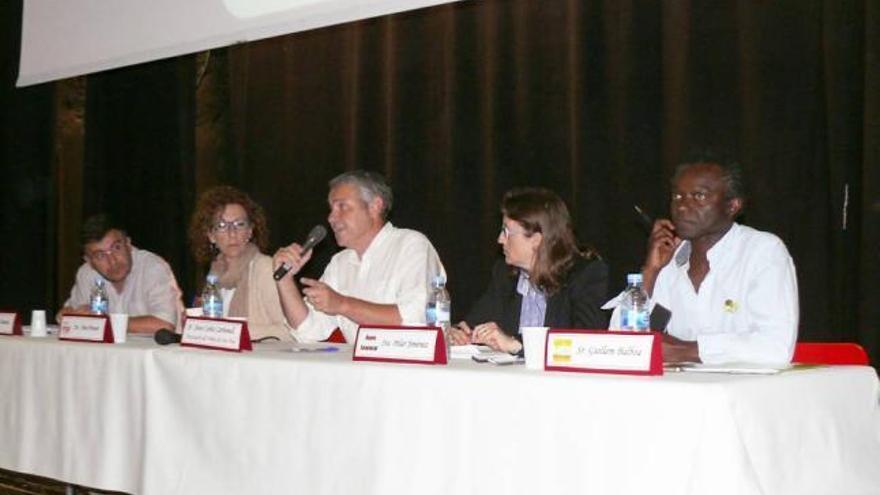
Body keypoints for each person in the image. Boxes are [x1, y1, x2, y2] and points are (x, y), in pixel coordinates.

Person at [606, 152, 799, 364]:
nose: (681, 206)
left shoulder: (762, 252)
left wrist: (684, 351)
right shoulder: (669, 262)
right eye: (677, 197)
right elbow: (622, 342)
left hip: (744, 393)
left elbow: (775, 347)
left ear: (733, 206)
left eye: (699, 196)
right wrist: (650, 271)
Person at [273, 170, 445, 343]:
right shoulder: (340, 263)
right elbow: (308, 331)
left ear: (375, 206)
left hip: (407, 367)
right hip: (358, 369)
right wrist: (285, 279)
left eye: (342, 206)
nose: (331, 217)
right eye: (331, 209)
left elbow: (417, 320)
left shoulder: (411, 245)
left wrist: (342, 304)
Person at [448, 187, 609, 354]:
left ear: (537, 240)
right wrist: (458, 333)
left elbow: (585, 342)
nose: (500, 239)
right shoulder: (505, 273)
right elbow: (473, 323)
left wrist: (517, 345)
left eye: (507, 232)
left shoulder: (585, 275)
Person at [188, 186, 292, 342]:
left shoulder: (266, 269)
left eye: (239, 224)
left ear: (250, 231)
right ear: (211, 235)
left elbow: (290, 331)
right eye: (222, 226)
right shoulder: (214, 273)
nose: (232, 233)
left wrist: (230, 331)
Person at [58, 213, 184, 333]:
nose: (112, 261)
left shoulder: (153, 267)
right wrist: (68, 316)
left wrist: (105, 322)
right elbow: (69, 314)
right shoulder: (86, 273)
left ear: (128, 244)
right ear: (89, 261)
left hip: (157, 353)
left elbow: (165, 324)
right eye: (100, 255)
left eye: (116, 248)